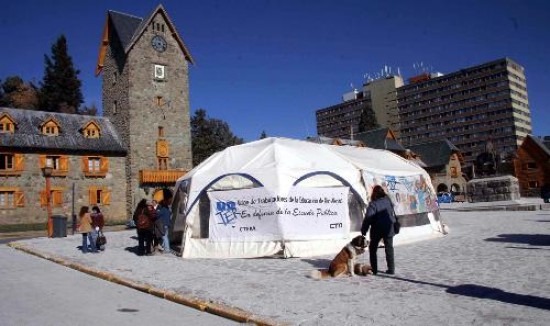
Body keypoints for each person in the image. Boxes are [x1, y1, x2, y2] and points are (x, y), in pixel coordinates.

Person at [361, 185, 397, 275]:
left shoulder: (373, 204)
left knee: (373, 249)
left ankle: (374, 269)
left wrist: (364, 229)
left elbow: (368, 218)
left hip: (377, 229)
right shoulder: (388, 201)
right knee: (389, 248)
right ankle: (391, 269)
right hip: (389, 227)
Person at [156, 189, 173, 253]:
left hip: (163, 224)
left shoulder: (162, 209)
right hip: (167, 224)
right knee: (165, 236)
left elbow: (157, 215)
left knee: (164, 236)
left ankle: (167, 249)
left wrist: (157, 210)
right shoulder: (168, 209)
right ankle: (163, 246)